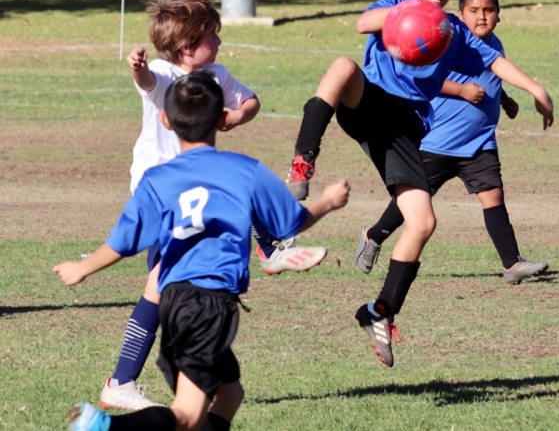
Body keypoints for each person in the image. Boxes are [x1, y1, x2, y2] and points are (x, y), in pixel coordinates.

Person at [285, 0, 554, 368]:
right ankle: (303, 160)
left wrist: (536, 89)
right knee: (342, 67)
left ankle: (380, 311)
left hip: (405, 128)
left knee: (423, 221)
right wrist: (407, 14)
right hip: (369, 100)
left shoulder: (456, 31)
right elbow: (362, 23)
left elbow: (493, 62)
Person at [54, 71, 350, 431]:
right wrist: (328, 202)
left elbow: (124, 241)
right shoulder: (244, 170)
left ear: (165, 120)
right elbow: (289, 224)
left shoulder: (158, 179)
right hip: (209, 303)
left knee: (229, 396)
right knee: (187, 414)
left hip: (174, 300)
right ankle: (105, 427)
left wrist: (82, 268)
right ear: (225, 119)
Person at [100, 0, 327, 411]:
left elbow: (252, 101)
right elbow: (147, 80)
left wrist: (236, 116)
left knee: (168, 277)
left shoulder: (217, 76)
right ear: (186, 47)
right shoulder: (167, 75)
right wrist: (137, 67)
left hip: (196, 187)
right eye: (211, 36)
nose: (219, 40)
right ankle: (124, 380)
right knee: (164, 279)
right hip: (163, 190)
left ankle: (140, 380)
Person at [354, 0, 548, 285]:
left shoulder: (495, 46)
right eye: (473, 11)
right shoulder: (441, 40)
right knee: (414, 200)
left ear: (499, 16)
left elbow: (492, 74)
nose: (481, 17)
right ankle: (373, 234)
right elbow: (426, 79)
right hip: (440, 141)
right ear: (459, 14)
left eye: (489, 11)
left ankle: (511, 263)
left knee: (493, 194)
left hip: (480, 141)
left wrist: (505, 98)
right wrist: (461, 90)